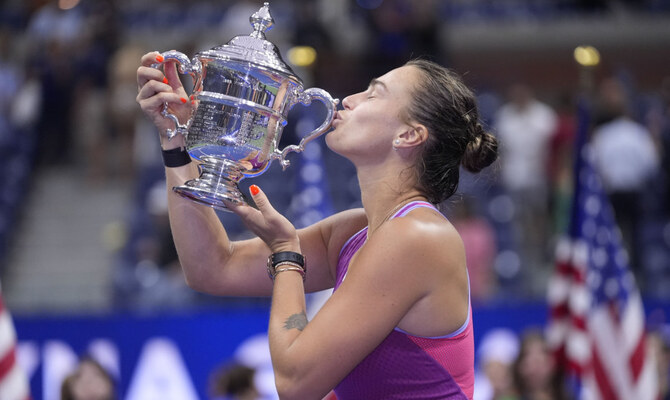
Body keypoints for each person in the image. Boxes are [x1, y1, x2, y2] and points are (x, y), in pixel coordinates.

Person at [137, 53, 498, 399]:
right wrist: (176, 138)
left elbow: (295, 381)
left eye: (373, 94)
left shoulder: (416, 236)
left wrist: (286, 256)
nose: (349, 100)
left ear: (409, 135)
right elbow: (212, 268)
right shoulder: (356, 231)